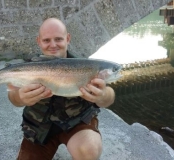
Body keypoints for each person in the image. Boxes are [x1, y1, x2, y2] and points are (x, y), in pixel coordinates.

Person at [7, 18, 115, 160]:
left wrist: (102, 96)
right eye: (46, 40)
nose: (53, 45)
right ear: (38, 41)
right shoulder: (27, 68)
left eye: (58, 39)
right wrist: (20, 98)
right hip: (38, 128)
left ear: (68, 38)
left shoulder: (86, 66)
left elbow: (110, 96)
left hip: (76, 123)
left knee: (90, 149)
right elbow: (12, 95)